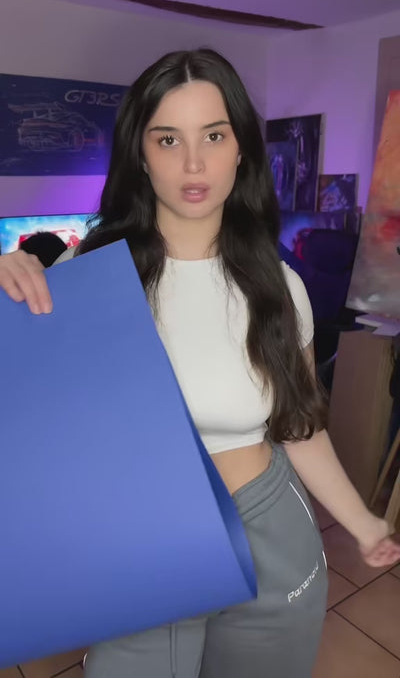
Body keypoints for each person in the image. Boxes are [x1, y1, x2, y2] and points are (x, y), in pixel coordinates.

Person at [0, 49, 399, 678]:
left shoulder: (280, 287)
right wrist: (9, 291)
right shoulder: (85, 280)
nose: (193, 163)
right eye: (168, 139)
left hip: (267, 528)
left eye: (213, 136)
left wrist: (364, 524)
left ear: (240, 150)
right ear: (141, 154)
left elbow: (301, 427)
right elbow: (34, 426)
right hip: (142, 537)